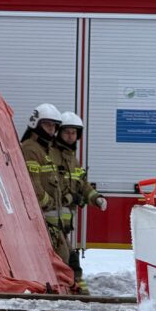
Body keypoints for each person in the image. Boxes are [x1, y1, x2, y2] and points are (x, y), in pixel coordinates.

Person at [52, 112, 107, 293]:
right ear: (59, 133)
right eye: (66, 132)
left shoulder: (72, 159)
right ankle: (74, 290)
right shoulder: (51, 154)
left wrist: (96, 198)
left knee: (69, 257)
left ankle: (75, 289)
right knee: (67, 257)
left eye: (74, 133)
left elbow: (82, 184)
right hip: (51, 219)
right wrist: (70, 198)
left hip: (64, 222)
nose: (70, 136)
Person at [20, 103, 71, 271]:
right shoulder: (31, 149)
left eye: (54, 126)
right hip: (41, 218)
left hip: (51, 221)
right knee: (57, 261)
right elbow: (33, 187)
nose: (51, 129)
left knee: (64, 257)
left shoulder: (45, 150)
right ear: (36, 124)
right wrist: (49, 203)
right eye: (47, 124)